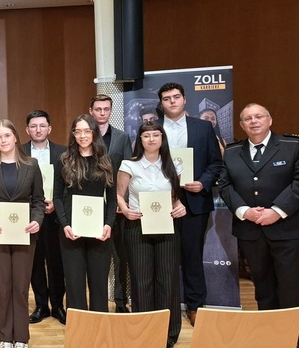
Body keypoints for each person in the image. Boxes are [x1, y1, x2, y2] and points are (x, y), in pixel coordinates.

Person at [0, 119, 45, 348]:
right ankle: (5, 337)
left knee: (21, 287)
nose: (3, 140)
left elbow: (39, 201)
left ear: (15, 137)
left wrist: (37, 220)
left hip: (24, 235)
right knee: (3, 288)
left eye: (6, 135)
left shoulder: (31, 165)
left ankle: (21, 337)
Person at [220, 104, 299, 310]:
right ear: (241, 125)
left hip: (286, 229)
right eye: (248, 119)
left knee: (291, 286)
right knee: (262, 287)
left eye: (258, 117)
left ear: (269, 120)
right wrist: (244, 211)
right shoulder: (231, 152)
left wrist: (277, 211)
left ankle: (292, 336)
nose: (253, 121)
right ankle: (269, 335)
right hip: (251, 231)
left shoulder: (292, 146)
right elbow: (225, 185)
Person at [116, 122, 186, 347]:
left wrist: (180, 205)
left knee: (167, 280)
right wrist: (126, 210)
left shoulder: (173, 164)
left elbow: (175, 196)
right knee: (141, 280)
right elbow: (119, 195)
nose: (152, 139)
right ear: (140, 140)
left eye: (156, 135)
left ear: (162, 139)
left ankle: (169, 334)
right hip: (137, 227)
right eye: (147, 136)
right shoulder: (129, 164)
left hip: (167, 227)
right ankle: (144, 331)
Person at [157, 82, 222, 325]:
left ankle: (195, 305)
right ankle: (167, 307)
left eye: (176, 97)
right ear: (161, 103)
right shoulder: (153, 129)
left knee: (192, 255)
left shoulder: (203, 128)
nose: (172, 101)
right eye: (166, 98)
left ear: (184, 100)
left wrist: (203, 182)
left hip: (194, 200)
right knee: (165, 257)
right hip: (161, 202)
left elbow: (216, 163)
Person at [54, 114, 116, 313]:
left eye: (86, 131)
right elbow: (57, 197)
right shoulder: (64, 160)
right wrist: (65, 225)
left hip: (100, 232)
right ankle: (79, 334)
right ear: (73, 134)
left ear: (94, 133)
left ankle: (99, 335)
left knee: (99, 285)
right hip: (72, 231)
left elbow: (112, 199)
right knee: (74, 285)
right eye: (78, 131)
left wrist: (108, 224)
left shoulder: (106, 161)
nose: (82, 136)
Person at [22, 110, 67, 325]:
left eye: (42, 125)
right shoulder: (19, 152)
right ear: (27, 129)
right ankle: (41, 305)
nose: (38, 129)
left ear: (49, 128)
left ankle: (58, 305)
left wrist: (54, 204)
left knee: (57, 262)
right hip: (30, 217)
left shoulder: (63, 153)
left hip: (55, 216)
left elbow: (68, 186)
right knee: (35, 262)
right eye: (33, 126)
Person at [88, 94, 132, 312]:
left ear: (110, 111)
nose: (102, 112)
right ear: (91, 111)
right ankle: (97, 302)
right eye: (98, 109)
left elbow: (127, 169)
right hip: (90, 205)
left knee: (120, 255)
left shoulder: (122, 137)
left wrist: (121, 199)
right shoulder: (84, 137)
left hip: (116, 203)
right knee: (96, 254)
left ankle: (121, 301)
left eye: (106, 109)